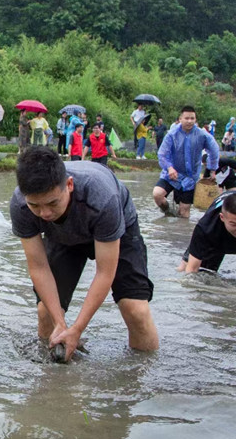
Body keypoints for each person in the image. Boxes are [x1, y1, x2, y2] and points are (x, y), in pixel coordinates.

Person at [10, 147, 159, 360]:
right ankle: (51, 379)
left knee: (136, 311)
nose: (44, 213)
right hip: (62, 236)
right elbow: (38, 267)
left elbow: (104, 273)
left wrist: (77, 328)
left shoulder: (102, 197)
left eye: (52, 203)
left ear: (69, 185)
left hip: (115, 230)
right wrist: (60, 323)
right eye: (35, 206)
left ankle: (143, 378)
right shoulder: (20, 205)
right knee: (46, 313)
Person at [153, 106, 220, 218]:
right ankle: (168, 211)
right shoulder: (172, 135)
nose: (189, 121)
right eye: (186, 118)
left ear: (195, 119)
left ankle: (181, 232)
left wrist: (212, 170)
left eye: (192, 118)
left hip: (190, 178)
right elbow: (162, 154)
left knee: (184, 214)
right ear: (180, 119)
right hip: (171, 174)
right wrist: (169, 167)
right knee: (157, 194)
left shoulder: (202, 135)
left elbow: (214, 150)